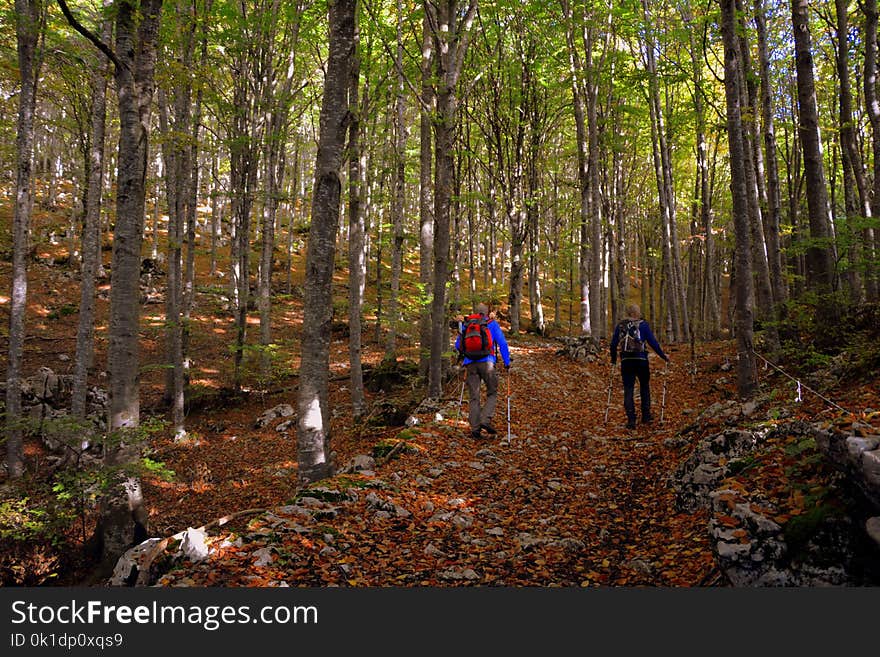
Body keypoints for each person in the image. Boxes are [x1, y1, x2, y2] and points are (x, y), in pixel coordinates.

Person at [609, 303, 670, 430]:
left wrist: (614, 360)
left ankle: (631, 420)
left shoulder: (621, 326)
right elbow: (653, 342)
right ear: (636, 313)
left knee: (628, 389)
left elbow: (613, 344)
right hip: (641, 359)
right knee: (644, 387)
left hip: (626, 361)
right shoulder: (643, 325)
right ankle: (646, 416)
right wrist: (663, 356)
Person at [455, 303, 511, 439]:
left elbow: (458, 345)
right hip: (487, 363)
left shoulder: (467, 324)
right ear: (487, 313)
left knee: (474, 396)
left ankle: (475, 428)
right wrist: (507, 362)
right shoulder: (491, 324)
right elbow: (502, 343)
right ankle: (485, 420)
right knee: (492, 392)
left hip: (470, 363)